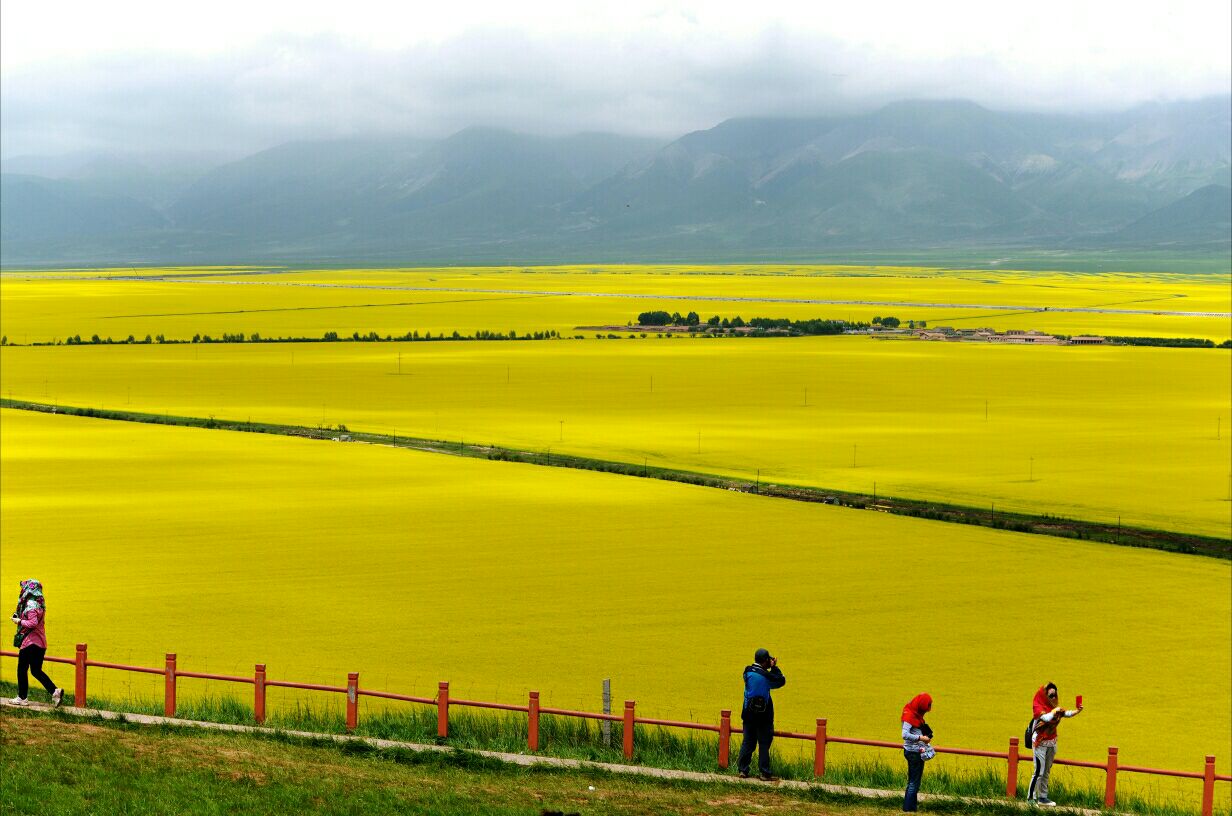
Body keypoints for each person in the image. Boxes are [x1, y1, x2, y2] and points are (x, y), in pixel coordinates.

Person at [9, 579, 63, 707]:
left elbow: (32, 623)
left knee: (22, 669)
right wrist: (20, 617)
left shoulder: (31, 605)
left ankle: (22, 698)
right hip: (40, 643)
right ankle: (55, 691)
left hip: (30, 642)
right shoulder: (39, 604)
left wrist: (19, 621)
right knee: (36, 670)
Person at [1027, 683, 1082, 807]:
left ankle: (1043, 797)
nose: (1054, 698)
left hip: (1052, 744)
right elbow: (1045, 718)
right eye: (1051, 695)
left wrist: (1077, 711)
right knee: (1038, 772)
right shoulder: (1038, 707)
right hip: (1040, 743)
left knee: (1046, 771)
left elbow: (1066, 713)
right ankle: (1030, 798)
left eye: (1055, 695)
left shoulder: (1056, 708)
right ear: (1045, 696)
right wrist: (1054, 711)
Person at [736, 648, 786, 781]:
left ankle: (743, 770)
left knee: (748, 742)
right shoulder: (767, 676)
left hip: (748, 714)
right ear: (765, 661)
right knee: (764, 743)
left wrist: (767, 667)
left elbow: (756, 672)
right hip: (764, 717)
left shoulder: (747, 672)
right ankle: (764, 773)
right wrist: (774, 668)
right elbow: (781, 681)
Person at [901, 693, 933, 812]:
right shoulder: (909, 716)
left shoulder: (914, 714)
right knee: (914, 783)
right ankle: (909, 809)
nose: (925, 712)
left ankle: (911, 807)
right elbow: (904, 734)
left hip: (914, 751)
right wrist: (921, 738)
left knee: (913, 781)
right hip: (914, 752)